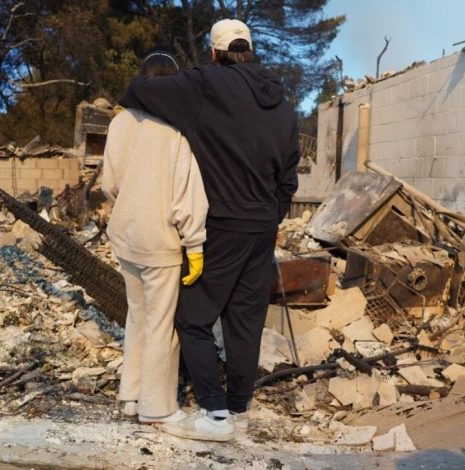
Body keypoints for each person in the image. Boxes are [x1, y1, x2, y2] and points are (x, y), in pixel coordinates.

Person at [119, 19, 300, 441]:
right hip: (261, 230)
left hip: (219, 226)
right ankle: (239, 412)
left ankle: (214, 413)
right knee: (244, 322)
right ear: (249, 51)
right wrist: (271, 215)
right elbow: (289, 176)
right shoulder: (282, 101)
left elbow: (137, 90)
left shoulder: (206, 83)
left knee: (192, 318)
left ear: (215, 53)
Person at [102, 48, 209, 424]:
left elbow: (109, 185)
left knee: (137, 317)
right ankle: (156, 408)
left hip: (126, 236)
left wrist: (129, 203)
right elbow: (187, 196)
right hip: (161, 242)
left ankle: (130, 396)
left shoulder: (118, 124)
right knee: (162, 324)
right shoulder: (174, 130)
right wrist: (194, 243)